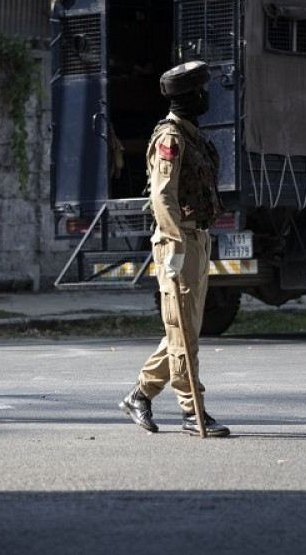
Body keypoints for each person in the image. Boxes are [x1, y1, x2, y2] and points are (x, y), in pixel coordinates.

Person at [118, 60, 230, 436]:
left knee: (185, 330)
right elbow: (162, 196)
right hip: (177, 239)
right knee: (183, 332)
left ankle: (140, 394)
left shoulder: (192, 133)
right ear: (192, 95)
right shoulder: (170, 138)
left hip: (198, 236)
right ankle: (190, 409)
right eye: (203, 90)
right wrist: (173, 245)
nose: (207, 96)